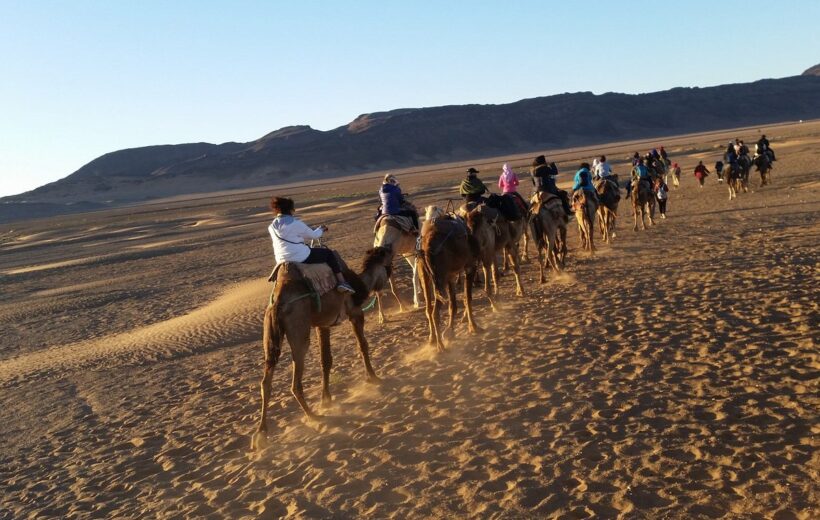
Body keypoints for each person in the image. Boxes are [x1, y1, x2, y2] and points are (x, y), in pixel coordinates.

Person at [268, 196, 355, 293]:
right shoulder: (295, 223)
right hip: (300, 257)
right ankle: (342, 282)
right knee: (329, 254)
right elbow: (314, 236)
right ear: (290, 209)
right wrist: (321, 229)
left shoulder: (271, 227)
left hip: (281, 259)